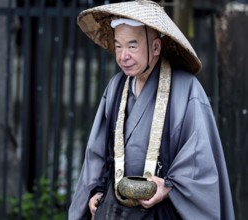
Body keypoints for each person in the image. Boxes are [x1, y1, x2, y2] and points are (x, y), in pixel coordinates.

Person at [69, 0, 235, 220]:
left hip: (161, 210)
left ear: (156, 47)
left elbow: (198, 159)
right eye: (118, 46)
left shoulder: (185, 88)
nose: (123, 56)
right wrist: (97, 191)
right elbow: (98, 153)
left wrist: (167, 187)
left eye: (132, 46)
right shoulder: (116, 87)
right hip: (113, 208)